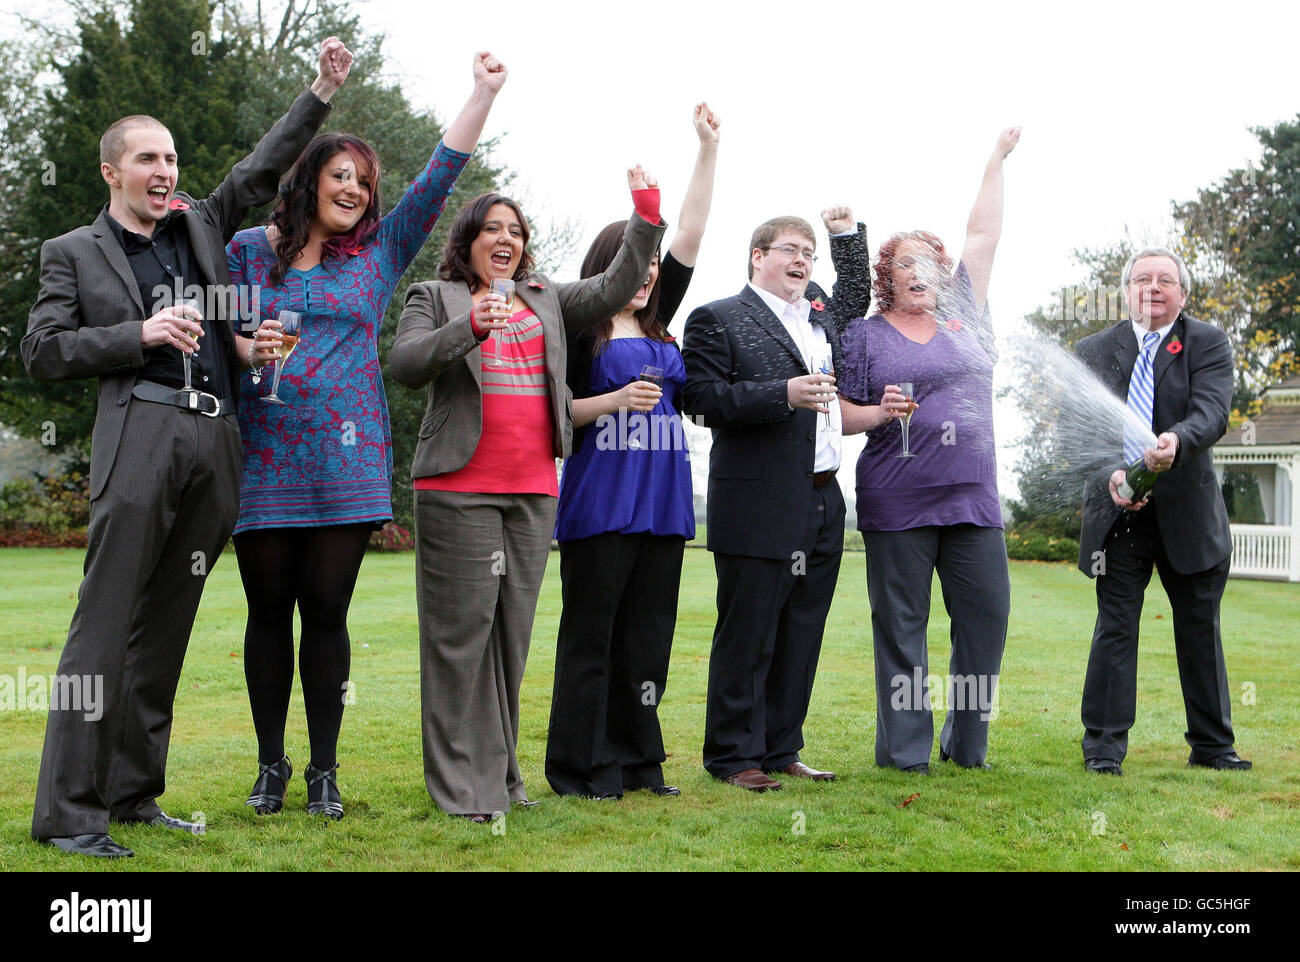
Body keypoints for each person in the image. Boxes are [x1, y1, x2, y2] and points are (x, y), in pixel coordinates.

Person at [20, 40, 352, 858]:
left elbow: (262, 166)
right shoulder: (73, 252)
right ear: (112, 172)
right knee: (103, 628)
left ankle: (132, 795)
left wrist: (319, 92)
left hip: (215, 439)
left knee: (166, 626)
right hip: (140, 432)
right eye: (147, 158)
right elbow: (43, 351)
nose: (163, 170)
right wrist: (136, 334)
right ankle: (69, 813)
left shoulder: (198, 225)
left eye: (170, 157)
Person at [227, 52, 507, 821]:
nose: (354, 189)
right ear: (311, 178)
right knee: (266, 613)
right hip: (265, 457)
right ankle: (269, 767)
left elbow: (441, 176)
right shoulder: (250, 250)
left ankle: (323, 771)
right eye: (341, 175)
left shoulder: (378, 256)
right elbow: (219, 331)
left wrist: (481, 92)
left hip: (347, 464)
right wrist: (248, 347)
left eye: (363, 181)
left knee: (326, 613)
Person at [389, 171, 667, 821]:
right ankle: (461, 791)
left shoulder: (545, 299)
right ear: (469, 241)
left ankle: (504, 779)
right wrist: (470, 328)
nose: (506, 239)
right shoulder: (435, 295)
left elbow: (615, 286)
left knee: (509, 642)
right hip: (459, 488)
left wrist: (645, 214)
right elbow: (406, 365)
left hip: (534, 489)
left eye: (516, 231)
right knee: (460, 644)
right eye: (493, 229)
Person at [546, 103, 719, 801]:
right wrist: (613, 404)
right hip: (600, 502)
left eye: (649, 266)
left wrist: (708, 147)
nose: (646, 274)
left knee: (648, 642)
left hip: (665, 505)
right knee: (593, 638)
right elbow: (555, 416)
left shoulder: (662, 321)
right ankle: (582, 769)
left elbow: (692, 233)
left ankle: (639, 763)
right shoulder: (578, 325)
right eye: (633, 264)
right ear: (609, 266)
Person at [838, 128, 1020, 775]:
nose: (919, 272)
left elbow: (983, 237)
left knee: (985, 623)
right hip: (897, 502)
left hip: (973, 500)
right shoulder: (863, 336)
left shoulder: (967, 311)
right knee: (902, 633)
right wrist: (878, 411)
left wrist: (993, 161)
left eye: (928, 262)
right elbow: (841, 414)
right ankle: (907, 752)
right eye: (904, 264)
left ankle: (966, 746)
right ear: (886, 276)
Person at [681, 208, 871, 792]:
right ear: (757, 256)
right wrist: (781, 393)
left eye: (809, 254)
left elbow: (856, 291)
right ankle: (733, 757)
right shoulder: (718, 318)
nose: (801, 261)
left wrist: (844, 237)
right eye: (790, 249)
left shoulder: (820, 315)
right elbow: (700, 397)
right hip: (757, 502)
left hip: (823, 498)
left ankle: (782, 748)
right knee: (749, 632)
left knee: (802, 631)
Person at [1074, 247, 1251, 775]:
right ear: (1126, 289)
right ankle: (1103, 750)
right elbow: (1075, 432)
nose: (1153, 287)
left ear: (1183, 293)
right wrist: (1112, 473)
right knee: (1116, 627)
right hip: (1118, 516)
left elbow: (1213, 412)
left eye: (1165, 280)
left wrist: (1176, 439)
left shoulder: (1207, 342)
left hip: (1188, 516)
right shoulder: (1093, 349)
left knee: (1200, 629)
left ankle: (1213, 747)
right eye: (1141, 279)